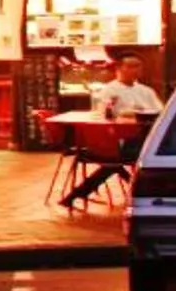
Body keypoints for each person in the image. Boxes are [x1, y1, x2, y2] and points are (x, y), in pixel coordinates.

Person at [62, 55, 164, 210]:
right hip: (118, 139)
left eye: (138, 66)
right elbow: (102, 114)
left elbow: (160, 111)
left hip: (145, 137)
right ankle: (143, 190)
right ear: (119, 69)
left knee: (117, 162)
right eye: (130, 66)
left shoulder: (146, 91)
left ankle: (77, 194)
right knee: (118, 160)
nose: (135, 70)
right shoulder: (109, 90)